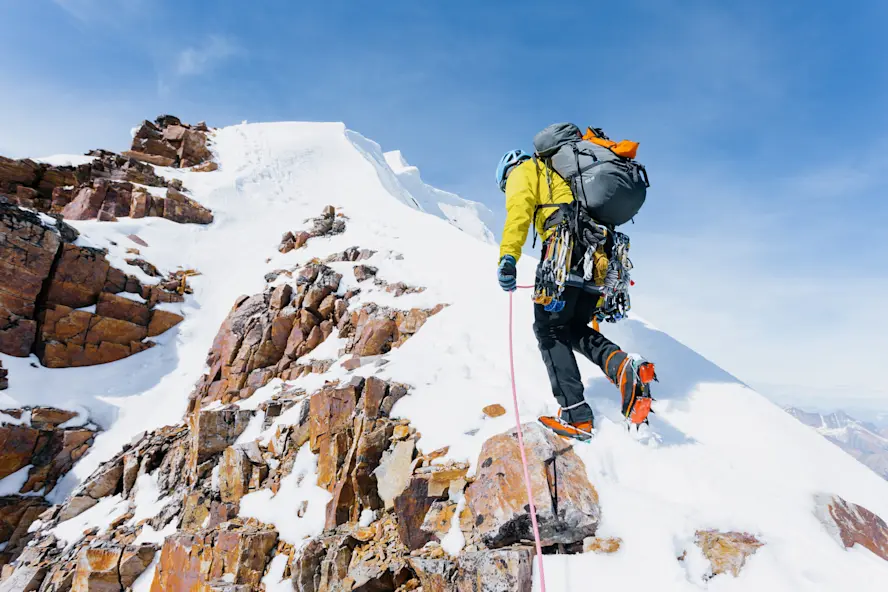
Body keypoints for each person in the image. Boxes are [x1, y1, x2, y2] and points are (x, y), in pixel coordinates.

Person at [495, 149, 655, 441]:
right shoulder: (564, 173)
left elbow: (518, 211)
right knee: (570, 327)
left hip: (564, 247)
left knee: (549, 330)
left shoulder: (524, 171)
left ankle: (576, 415)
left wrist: (508, 258)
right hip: (600, 253)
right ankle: (623, 365)